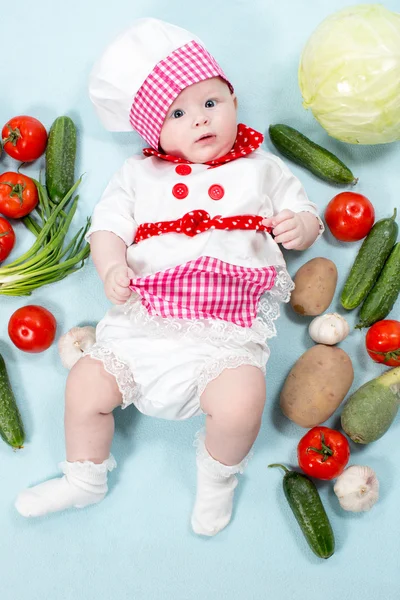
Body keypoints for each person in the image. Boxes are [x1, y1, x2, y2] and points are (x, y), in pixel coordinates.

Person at [15, 18, 323, 536]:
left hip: (224, 332)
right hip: (144, 323)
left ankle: (217, 475)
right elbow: (108, 229)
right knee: (85, 386)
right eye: (177, 113)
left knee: (242, 404)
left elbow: (305, 210)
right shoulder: (139, 174)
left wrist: (302, 226)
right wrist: (112, 265)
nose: (200, 120)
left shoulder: (261, 168)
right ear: (153, 132)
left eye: (210, 103)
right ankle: (84, 478)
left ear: (233, 99)